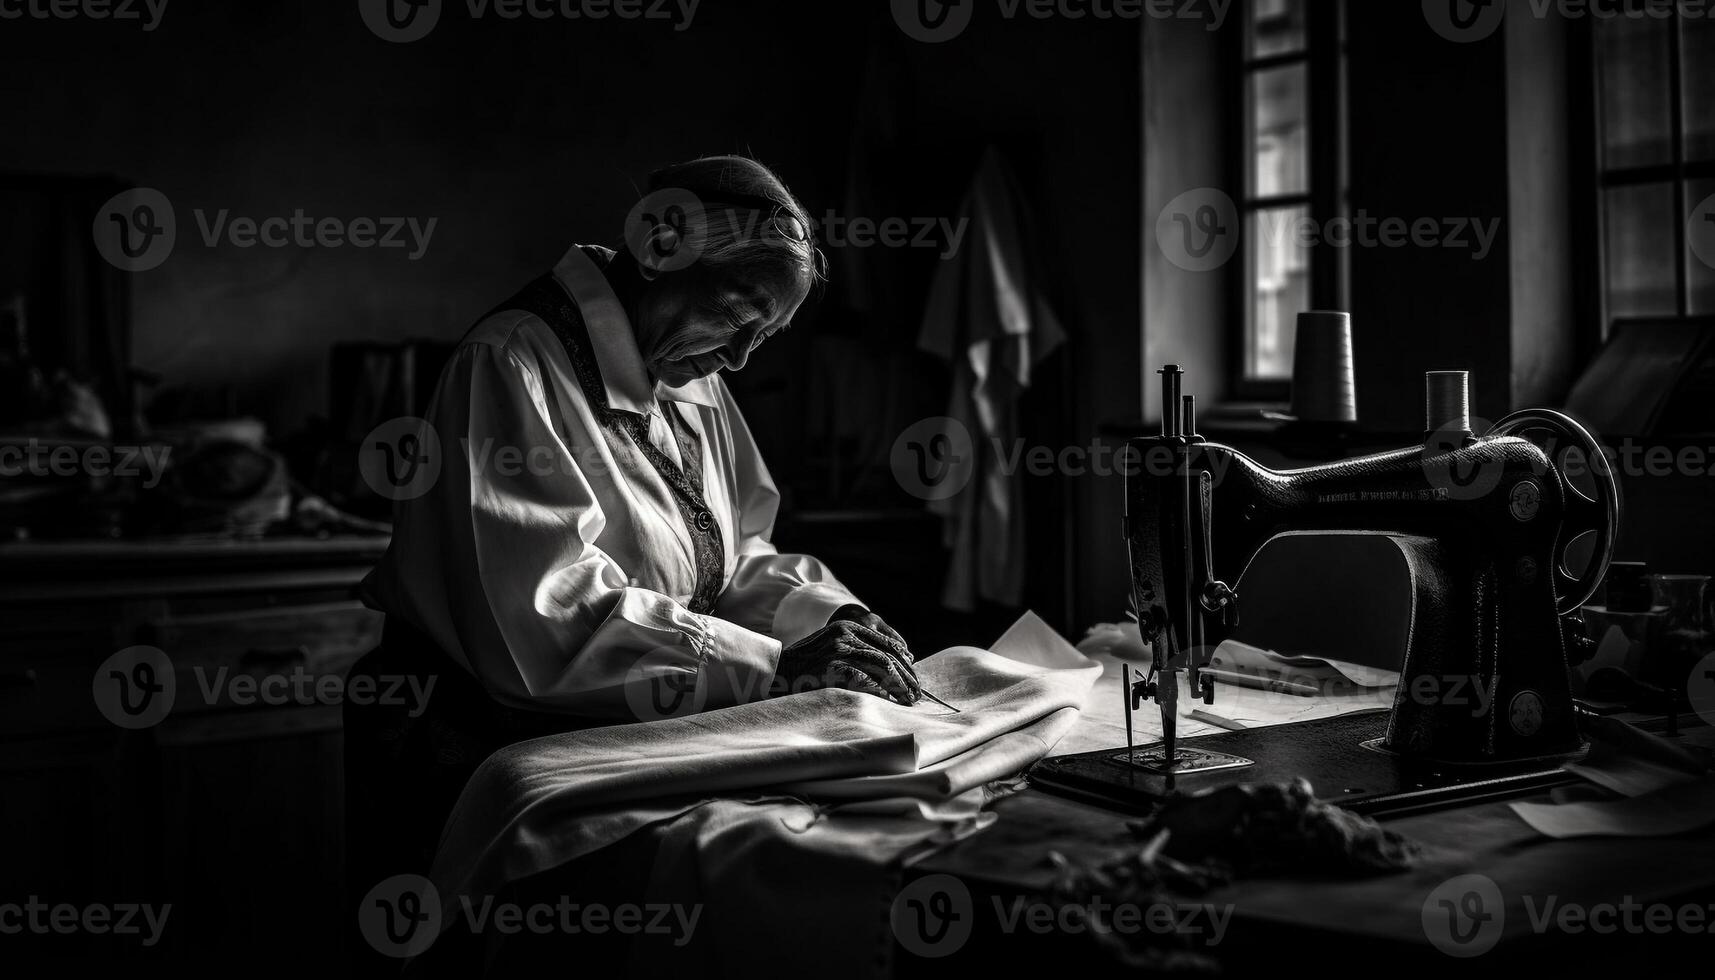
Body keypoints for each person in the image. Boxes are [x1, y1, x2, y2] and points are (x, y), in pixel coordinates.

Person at [360, 155, 922, 720]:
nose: (739, 359)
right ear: (660, 246)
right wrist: (771, 667)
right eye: (734, 315)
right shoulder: (511, 363)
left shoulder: (692, 370)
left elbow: (734, 557)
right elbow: (545, 617)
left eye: (764, 336)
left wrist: (827, 618)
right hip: (488, 732)